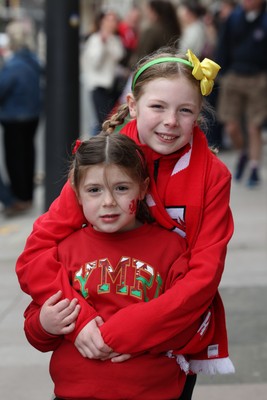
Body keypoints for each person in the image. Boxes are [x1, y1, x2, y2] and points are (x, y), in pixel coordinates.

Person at [16, 47, 235, 398]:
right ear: (132, 105)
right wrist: (81, 320)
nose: (170, 121)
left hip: (168, 334)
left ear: (198, 115)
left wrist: (128, 331)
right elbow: (37, 251)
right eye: (157, 107)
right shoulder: (102, 161)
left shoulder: (213, 175)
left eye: (185, 111)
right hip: (92, 332)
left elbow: (204, 273)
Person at [24, 133, 218, 399]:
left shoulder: (171, 248)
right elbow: (37, 332)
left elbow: (188, 322)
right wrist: (46, 324)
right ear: (76, 193)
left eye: (121, 188)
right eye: (94, 190)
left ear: (143, 187)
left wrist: (143, 338)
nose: (108, 202)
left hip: (153, 393)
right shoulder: (63, 251)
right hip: (75, 394)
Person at [215, 0, 267, 187]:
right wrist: (220, 72)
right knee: (231, 126)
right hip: (234, 76)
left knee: (255, 126)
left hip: (259, 78)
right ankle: (244, 151)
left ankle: (253, 167)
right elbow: (222, 46)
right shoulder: (233, 19)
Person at [0, 20, 43, 209]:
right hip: (33, 114)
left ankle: (19, 196)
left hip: (14, 116)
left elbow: (2, 88)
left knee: (15, 157)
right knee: (28, 153)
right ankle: (28, 194)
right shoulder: (33, 60)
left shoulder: (13, 65)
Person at [82, 10, 125, 135]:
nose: (112, 23)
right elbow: (95, 62)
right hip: (98, 86)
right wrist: (102, 43)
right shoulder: (95, 39)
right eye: (109, 20)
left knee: (109, 120)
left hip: (112, 87)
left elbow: (119, 56)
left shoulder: (114, 39)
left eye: (114, 20)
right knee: (102, 121)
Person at [130, 0, 181, 65]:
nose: (147, 13)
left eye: (149, 10)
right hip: (169, 68)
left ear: (155, 12)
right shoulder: (174, 29)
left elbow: (141, 56)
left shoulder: (151, 31)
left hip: (150, 69)